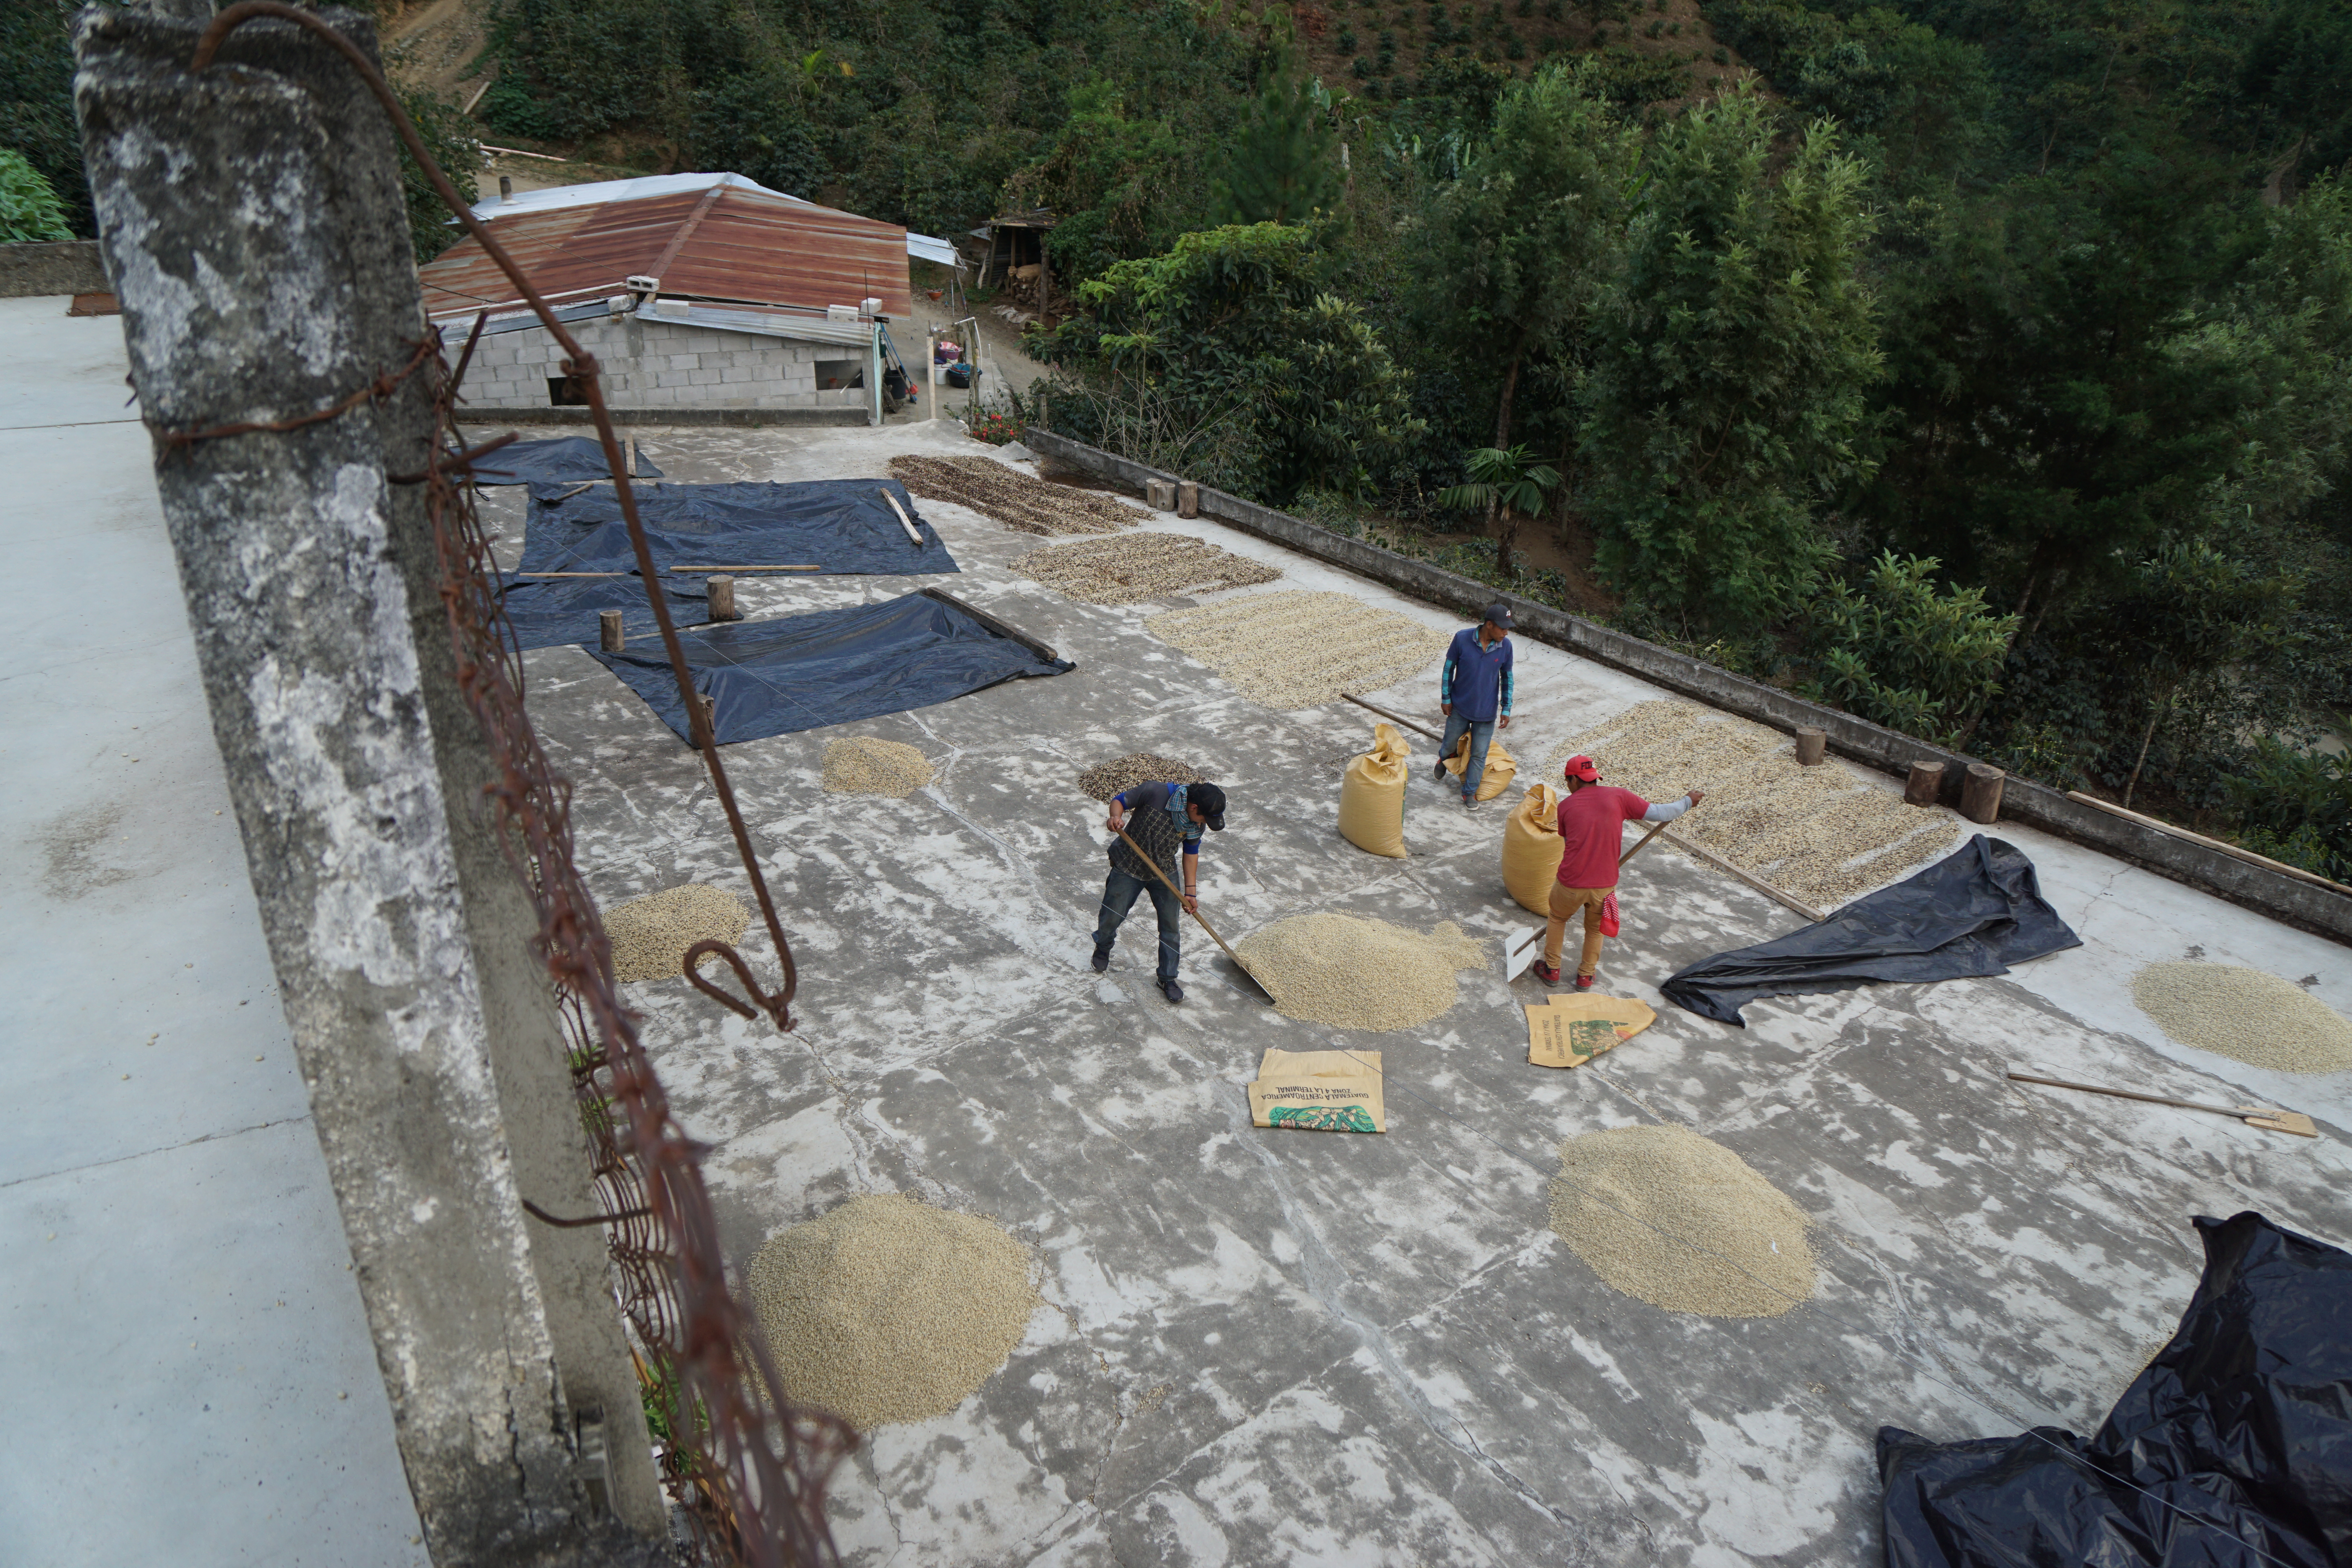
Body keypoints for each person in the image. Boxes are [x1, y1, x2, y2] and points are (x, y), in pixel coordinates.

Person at [1534, 755, 1705, 989]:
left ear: (1573, 780)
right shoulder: (1619, 796)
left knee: (1557, 918)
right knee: (1595, 929)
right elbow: (1663, 813)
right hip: (1604, 884)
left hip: (1571, 882)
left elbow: (1568, 837)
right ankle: (1586, 976)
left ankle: (1552, 970)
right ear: (1594, 777)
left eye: (1567, 780)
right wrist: (1688, 801)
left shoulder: (1565, 807)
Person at [1092, 779, 1228, 1004]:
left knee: (1171, 928)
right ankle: (1103, 947)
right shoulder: (1155, 792)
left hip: (1163, 871)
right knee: (1112, 915)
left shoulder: (1196, 823)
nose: (1205, 823)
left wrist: (1191, 893)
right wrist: (1115, 817)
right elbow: (1119, 801)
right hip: (1128, 866)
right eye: (1205, 817)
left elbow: (1191, 852)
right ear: (1194, 808)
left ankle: (1167, 977)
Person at [1435, 603, 1515, 808]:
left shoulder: (1506, 647)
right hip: (1459, 707)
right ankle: (1444, 759)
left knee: (1479, 754)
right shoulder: (1462, 638)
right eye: (1503, 628)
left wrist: (1506, 708)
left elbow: (1507, 678)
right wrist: (1446, 698)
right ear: (1489, 625)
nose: (1506, 633)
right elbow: (1448, 670)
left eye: (1508, 629)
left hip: (1486, 712)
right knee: (1450, 745)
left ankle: (1469, 793)